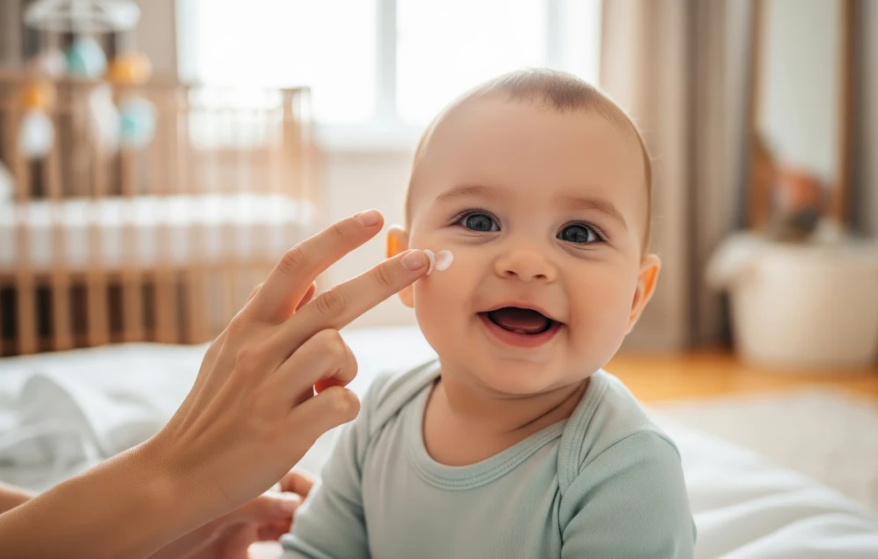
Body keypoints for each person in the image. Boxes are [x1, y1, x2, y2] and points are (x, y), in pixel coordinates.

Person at [281, 69, 696, 558]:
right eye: (480, 221)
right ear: (404, 266)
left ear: (634, 297)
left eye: (579, 233)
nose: (525, 263)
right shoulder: (381, 414)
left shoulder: (626, 471)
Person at [0, 210, 430, 559]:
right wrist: (169, 479)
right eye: (478, 221)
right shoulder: (387, 413)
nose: (513, 258)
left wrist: (139, 531)